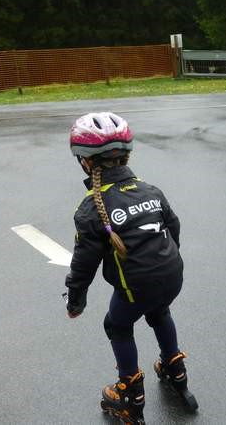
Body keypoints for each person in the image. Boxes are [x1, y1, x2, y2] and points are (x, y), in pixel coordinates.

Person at [65, 112, 197, 424]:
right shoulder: (150, 189)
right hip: (171, 274)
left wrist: (75, 301)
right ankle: (175, 370)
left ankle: (129, 396)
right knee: (159, 311)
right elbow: (174, 229)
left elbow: (84, 264)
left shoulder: (90, 209)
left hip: (135, 286)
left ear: (84, 162)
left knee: (117, 326)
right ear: (128, 154)